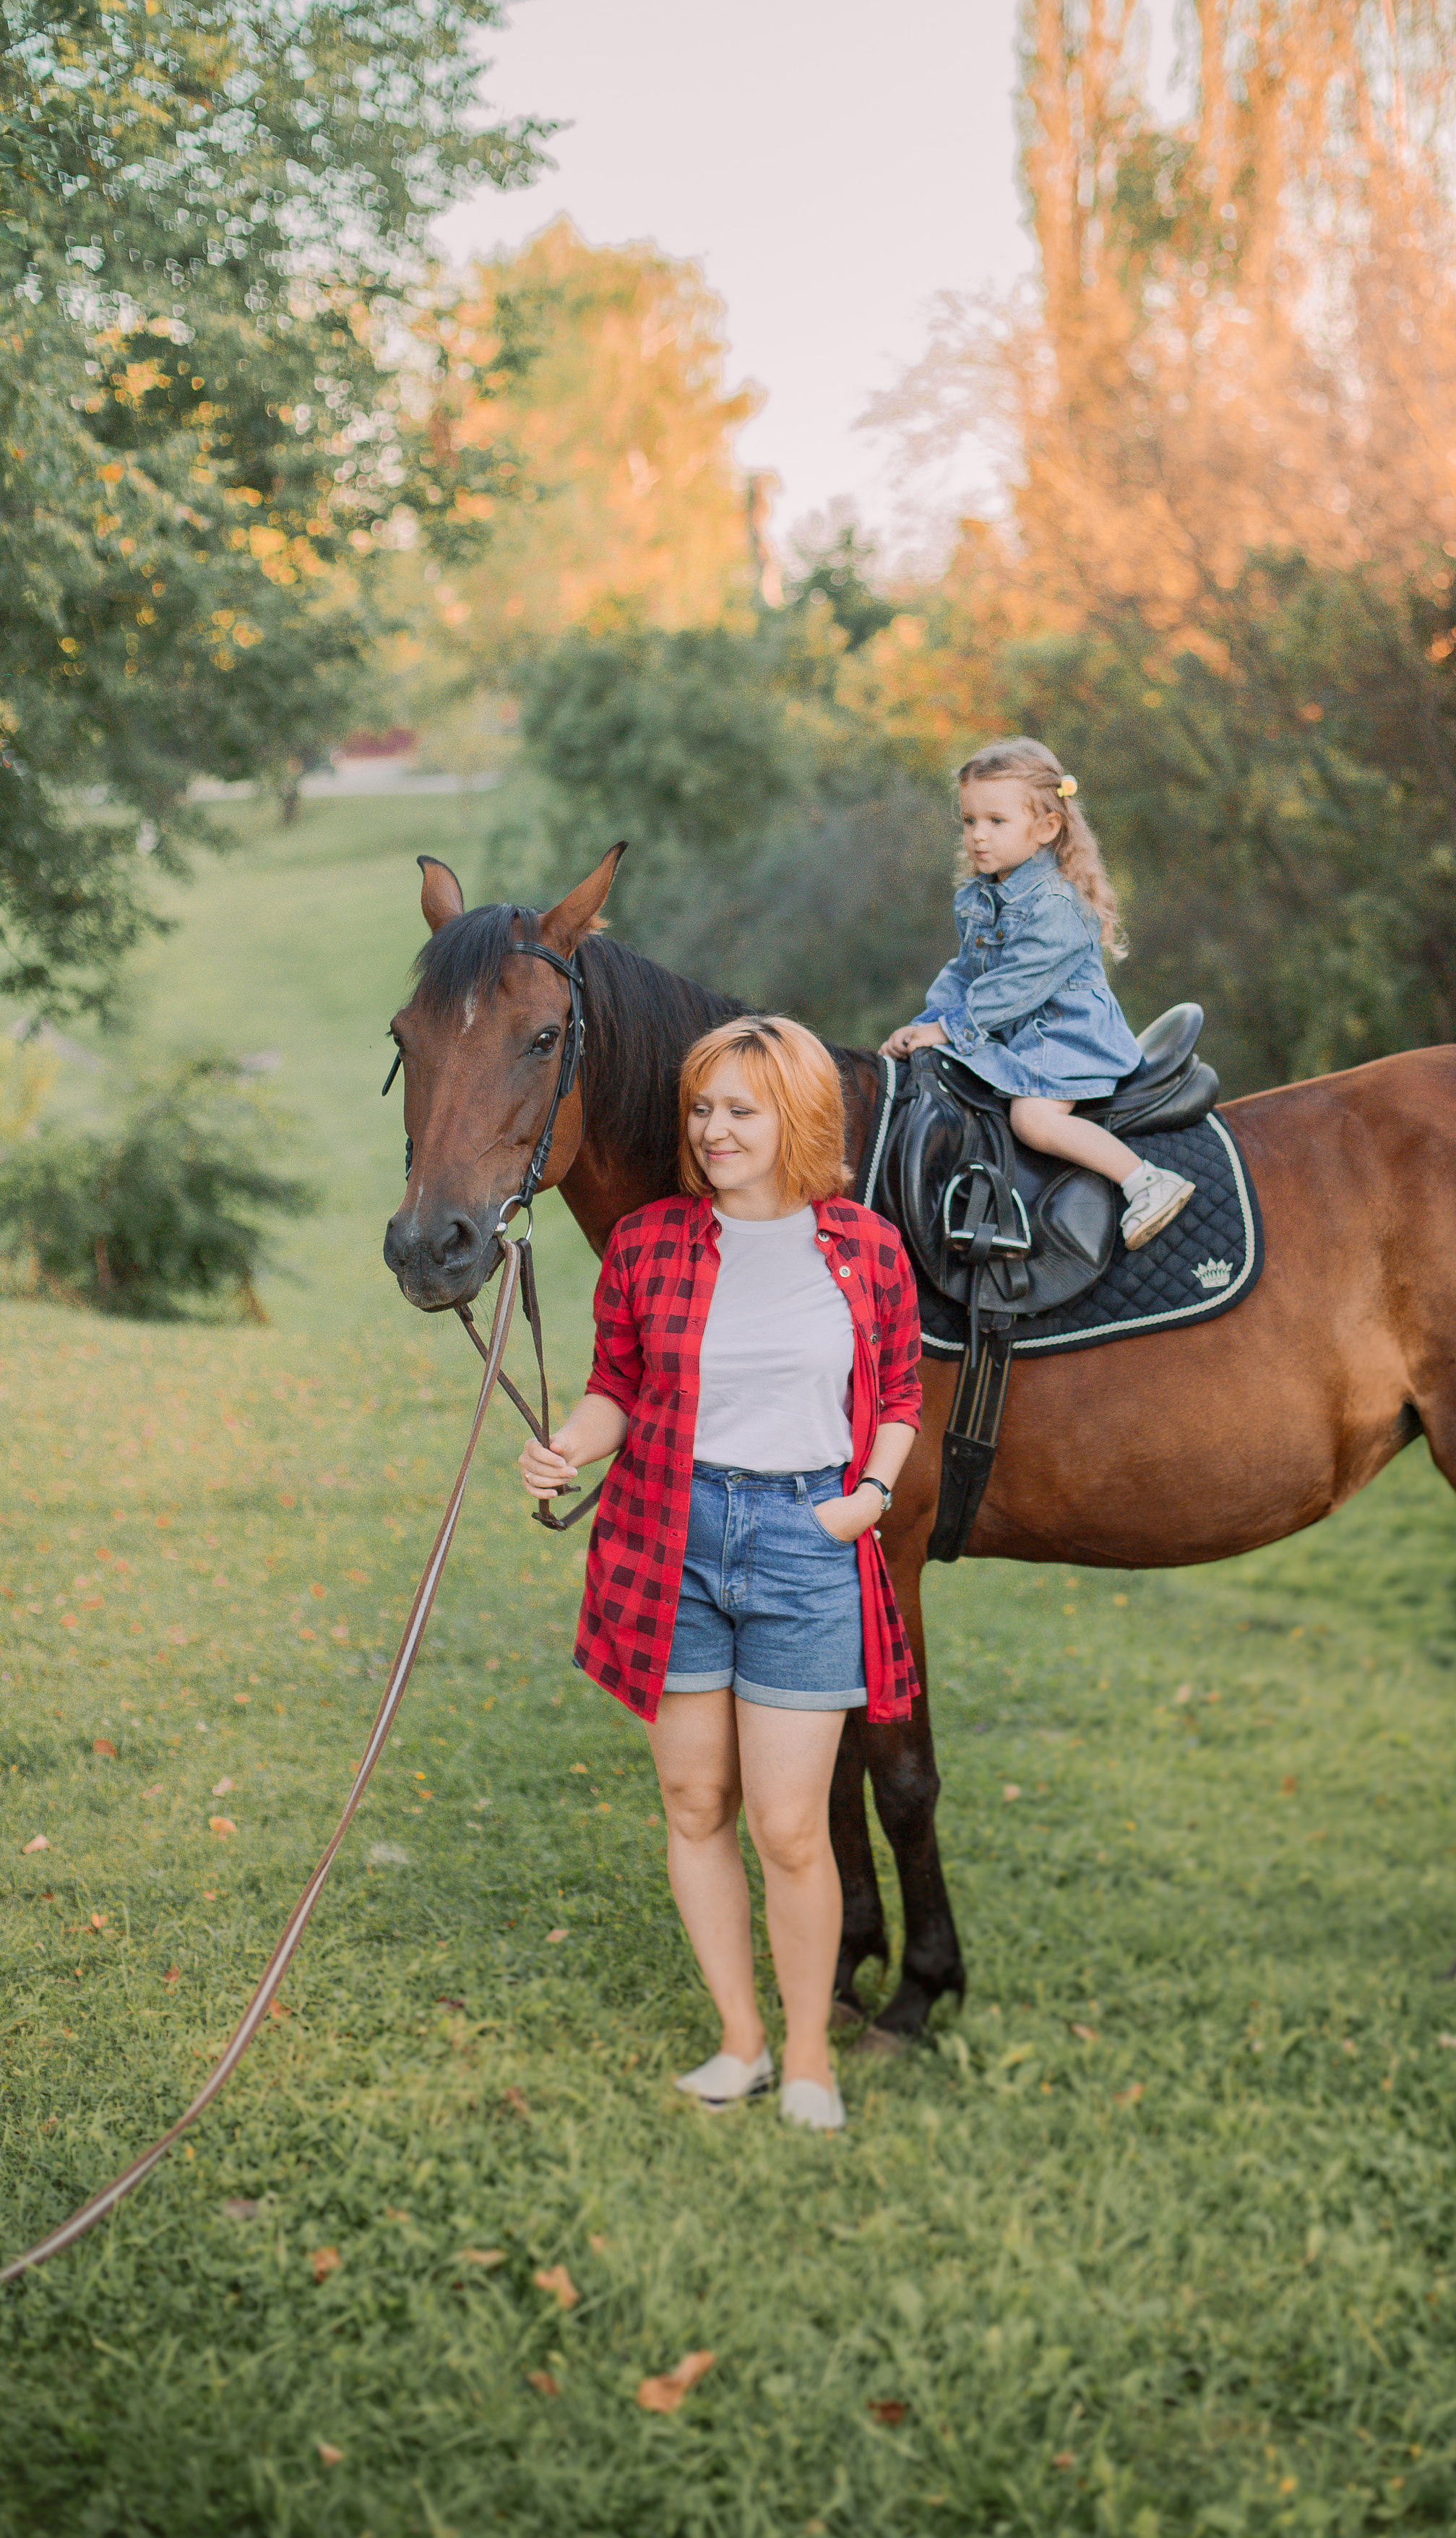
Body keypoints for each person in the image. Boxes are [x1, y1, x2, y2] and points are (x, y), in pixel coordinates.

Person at [518, 1014, 922, 2136]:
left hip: (808, 1543)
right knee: (696, 1804)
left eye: (741, 1108)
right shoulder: (648, 1244)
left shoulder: (863, 1248)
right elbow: (619, 1387)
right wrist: (569, 1443)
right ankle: (740, 2039)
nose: (713, 1129)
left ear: (797, 1117)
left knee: (790, 1826)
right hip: (670, 1537)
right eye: (703, 1108)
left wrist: (870, 1500)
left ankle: (806, 2055)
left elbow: (897, 1397)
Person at [881, 734, 1195, 1251]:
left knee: (1032, 1118)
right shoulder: (980, 896)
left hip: (1066, 1037)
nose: (978, 836)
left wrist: (949, 1029)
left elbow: (1015, 986)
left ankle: (1144, 1179)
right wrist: (928, 1022)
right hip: (1013, 1030)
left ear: (1048, 827)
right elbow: (965, 972)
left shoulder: (1056, 905)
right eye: (969, 821)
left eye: (996, 822)